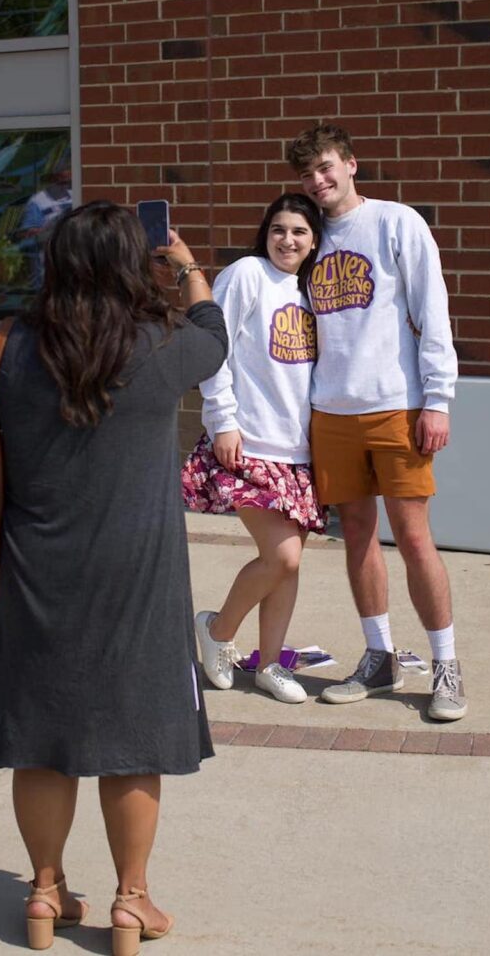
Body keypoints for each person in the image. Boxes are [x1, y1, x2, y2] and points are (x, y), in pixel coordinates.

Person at [0, 200, 227, 953]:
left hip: (38, 571)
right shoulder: (164, 342)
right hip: (140, 574)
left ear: (56, 261)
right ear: (133, 263)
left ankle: (45, 892)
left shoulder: (7, 344)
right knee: (135, 739)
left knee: (41, 738)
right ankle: (131, 902)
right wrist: (186, 266)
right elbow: (215, 333)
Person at [286, 123, 466, 722]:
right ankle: (379, 657)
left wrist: (437, 399)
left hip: (396, 405)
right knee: (357, 536)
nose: (318, 180)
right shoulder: (307, 237)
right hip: (331, 410)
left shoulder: (395, 222)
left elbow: (432, 310)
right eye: (308, 174)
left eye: (326, 167)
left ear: (351, 164)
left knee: (414, 538)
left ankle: (446, 666)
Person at [182, 193, 327, 705]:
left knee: (287, 565)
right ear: (265, 232)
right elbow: (213, 350)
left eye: (300, 232)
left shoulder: (312, 290)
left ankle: (269, 665)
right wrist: (223, 421)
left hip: (299, 451)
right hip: (249, 442)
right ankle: (218, 630)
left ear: (314, 241)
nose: (287, 240)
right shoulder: (247, 274)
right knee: (282, 556)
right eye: (278, 229)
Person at [17, 167, 73, 288]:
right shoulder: (37, 202)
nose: (66, 186)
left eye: (69, 182)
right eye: (61, 182)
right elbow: (27, 233)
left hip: (69, 254)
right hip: (46, 256)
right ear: (52, 180)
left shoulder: (75, 196)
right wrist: (49, 230)